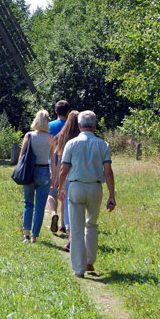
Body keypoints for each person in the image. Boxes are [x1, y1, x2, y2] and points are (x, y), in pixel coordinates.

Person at [58, 110, 116, 278]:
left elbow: (64, 170)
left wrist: (61, 187)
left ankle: (79, 268)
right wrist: (111, 195)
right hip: (95, 187)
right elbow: (108, 171)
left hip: (76, 186)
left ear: (79, 125)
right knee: (91, 224)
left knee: (76, 228)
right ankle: (89, 260)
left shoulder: (71, 144)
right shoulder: (103, 145)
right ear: (95, 126)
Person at [18, 109, 56, 243]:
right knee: (40, 206)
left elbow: (22, 156)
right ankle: (35, 236)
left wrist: (19, 170)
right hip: (44, 171)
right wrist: (53, 177)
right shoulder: (51, 138)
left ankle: (26, 235)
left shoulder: (29, 136)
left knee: (28, 203)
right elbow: (52, 159)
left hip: (29, 172)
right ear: (47, 122)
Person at [55, 109, 80, 251]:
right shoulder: (81, 136)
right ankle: (77, 236)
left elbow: (60, 158)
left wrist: (59, 179)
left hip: (67, 174)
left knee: (67, 205)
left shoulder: (63, 135)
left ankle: (69, 234)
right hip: (80, 175)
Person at [47, 99, 70, 232]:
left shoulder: (49, 125)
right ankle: (62, 224)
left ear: (55, 111)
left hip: (52, 163)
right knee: (64, 194)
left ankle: (53, 213)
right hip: (66, 163)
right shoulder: (70, 126)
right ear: (67, 112)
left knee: (52, 193)